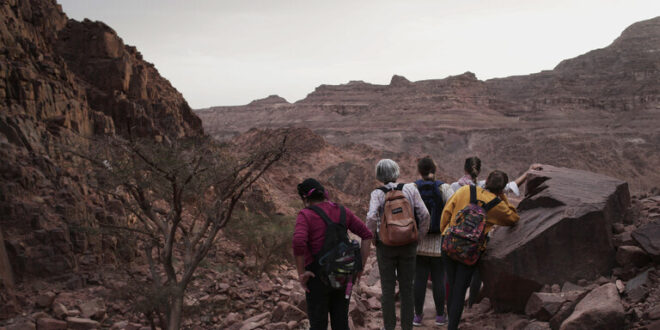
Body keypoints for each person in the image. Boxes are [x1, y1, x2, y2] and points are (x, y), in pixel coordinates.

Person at [449, 157, 541, 307]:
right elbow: (511, 206)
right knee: (475, 274)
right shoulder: (484, 187)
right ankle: (470, 305)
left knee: (454, 276)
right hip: (476, 242)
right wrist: (527, 173)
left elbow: (447, 209)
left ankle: (450, 308)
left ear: (465, 169)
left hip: (455, 235)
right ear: (479, 170)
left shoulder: (458, 187)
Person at [440, 170, 520, 330]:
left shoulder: (465, 190)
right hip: (470, 252)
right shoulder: (496, 205)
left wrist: (445, 233)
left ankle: (447, 318)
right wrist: (502, 197)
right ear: (502, 188)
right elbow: (513, 218)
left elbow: (446, 212)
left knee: (451, 281)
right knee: (460, 290)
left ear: (487, 181)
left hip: (449, 242)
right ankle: (452, 326)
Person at [293, 178, 373, 330]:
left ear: (304, 198)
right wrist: (360, 267)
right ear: (324, 194)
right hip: (344, 275)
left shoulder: (305, 215)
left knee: (318, 324)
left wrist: (301, 273)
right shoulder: (342, 210)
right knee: (341, 322)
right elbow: (367, 235)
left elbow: (298, 242)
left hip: (316, 278)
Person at [366, 159, 430, 330]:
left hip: (385, 245)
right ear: (397, 172)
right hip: (409, 243)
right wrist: (419, 236)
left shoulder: (377, 194)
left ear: (379, 175)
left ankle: (389, 327)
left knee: (387, 289)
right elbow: (424, 214)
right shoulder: (410, 188)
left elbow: (372, 217)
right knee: (407, 288)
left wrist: (374, 238)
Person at [412, 157, 454, 326]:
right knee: (438, 280)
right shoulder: (445, 188)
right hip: (439, 243)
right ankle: (440, 316)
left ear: (419, 171)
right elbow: (455, 208)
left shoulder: (413, 187)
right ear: (435, 170)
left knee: (419, 280)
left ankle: (417, 316)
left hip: (419, 243)